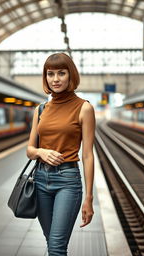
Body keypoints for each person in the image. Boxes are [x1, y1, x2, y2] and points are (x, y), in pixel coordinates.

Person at [27, 53, 95, 256]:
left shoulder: (84, 108)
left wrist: (89, 198)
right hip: (40, 180)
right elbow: (29, 150)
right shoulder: (40, 109)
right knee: (52, 244)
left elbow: (88, 155)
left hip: (67, 181)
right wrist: (41, 152)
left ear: (70, 75)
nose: (55, 79)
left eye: (61, 73)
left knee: (56, 247)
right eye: (50, 74)